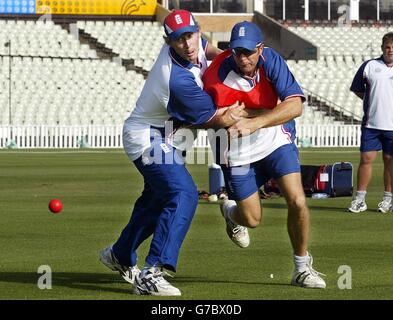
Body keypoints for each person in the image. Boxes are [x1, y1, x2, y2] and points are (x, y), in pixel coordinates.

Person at [99, 9, 245, 296]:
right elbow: (217, 119)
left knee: (154, 204)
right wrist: (239, 107)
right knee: (183, 194)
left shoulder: (197, 46)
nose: (188, 45)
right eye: (179, 40)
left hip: (165, 136)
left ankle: (119, 254)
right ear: (169, 42)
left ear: (198, 30)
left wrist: (236, 58)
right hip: (147, 137)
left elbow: (213, 52)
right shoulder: (177, 79)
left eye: (190, 35)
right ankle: (152, 273)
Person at [202, 21, 326, 289]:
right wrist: (228, 118)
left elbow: (295, 106)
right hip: (237, 153)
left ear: (260, 48)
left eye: (248, 52)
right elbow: (209, 118)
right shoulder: (215, 76)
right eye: (237, 52)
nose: (243, 58)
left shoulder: (272, 60)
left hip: (275, 141)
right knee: (252, 219)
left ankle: (302, 268)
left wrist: (252, 119)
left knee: (297, 200)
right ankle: (231, 214)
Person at [347, 32, 393, 214]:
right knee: (365, 160)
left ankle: (388, 200)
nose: (391, 51)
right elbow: (357, 89)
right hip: (372, 125)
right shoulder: (369, 66)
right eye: (388, 47)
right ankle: (359, 200)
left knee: (390, 162)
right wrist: (373, 100)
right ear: (382, 48)